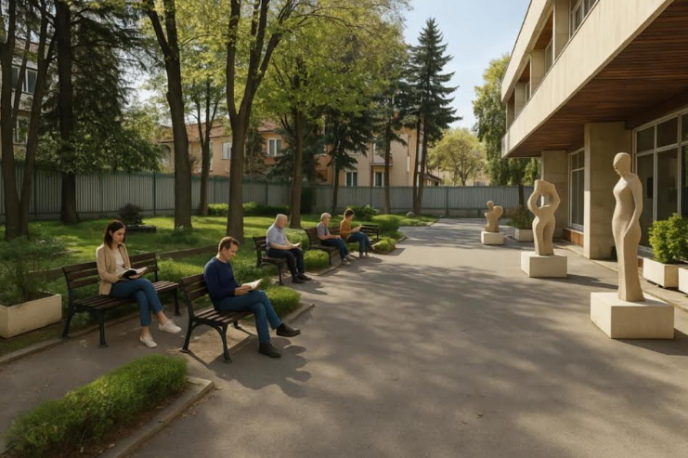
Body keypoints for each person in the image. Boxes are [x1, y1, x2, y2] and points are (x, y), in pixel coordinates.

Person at [204, 236, 301, 358]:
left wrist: (244, 287)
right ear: (223, 250)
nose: (234, 254)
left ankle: (264, 345)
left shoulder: (227, 264)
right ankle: (279, 326)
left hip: (232, 298)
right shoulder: (211, 267)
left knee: (259, 306)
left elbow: (232, 284)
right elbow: (214, 293)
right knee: (261, 294)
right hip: (221, 304)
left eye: (235, 251)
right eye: (232, 251)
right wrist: (234, 291)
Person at [96, 220, 181, 348]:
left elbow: (127, 267)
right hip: (113, 286)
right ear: (110, 233)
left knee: (142, 294)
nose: (122, 237)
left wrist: (133, 273)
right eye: (119, 234)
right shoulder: (101, 250)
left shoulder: (122, 247)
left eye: (123, 234)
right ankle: (162, 319)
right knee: (145, 283)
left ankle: (145, 335)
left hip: (127, 282)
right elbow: (102, 274)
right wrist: (118, 279)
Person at [266, 214, 312, 284]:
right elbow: (272, 245)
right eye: (284, 221)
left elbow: (285, 240)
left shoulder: (280, 228)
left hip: (281, 248)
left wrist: (293, 245)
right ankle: (294, 277)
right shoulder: (272, 230)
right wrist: (286, 247)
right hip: (272, 250)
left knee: (299, 251)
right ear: (278, 220)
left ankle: (300, 273)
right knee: (289, 254)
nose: (286, 223)